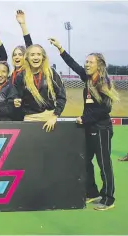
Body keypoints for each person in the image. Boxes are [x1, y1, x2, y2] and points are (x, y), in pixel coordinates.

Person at [49, 38, 119, 211]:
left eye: (90, 62)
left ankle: (108, 198)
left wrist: (85, 119)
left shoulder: (104, 83)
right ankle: (92, 191)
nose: (87, 64)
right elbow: (73, 64)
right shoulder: (87, 78)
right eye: (86, 61)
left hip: (101, 129)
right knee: (85, 161)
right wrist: (60, 48)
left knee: (104, 163)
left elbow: (105, 109)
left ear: (99, 65)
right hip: (88, 128)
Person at [13, 44, 66, 132]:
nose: (35, 57)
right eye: (32, 55)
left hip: (49, 119)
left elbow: (61, 97)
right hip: (29, 119)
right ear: (27, 58)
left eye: (38, 54)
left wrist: (55, 116)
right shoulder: (20, 76)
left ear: (43, 57)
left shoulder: (51, 73)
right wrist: (15, 101)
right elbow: (16, 96)